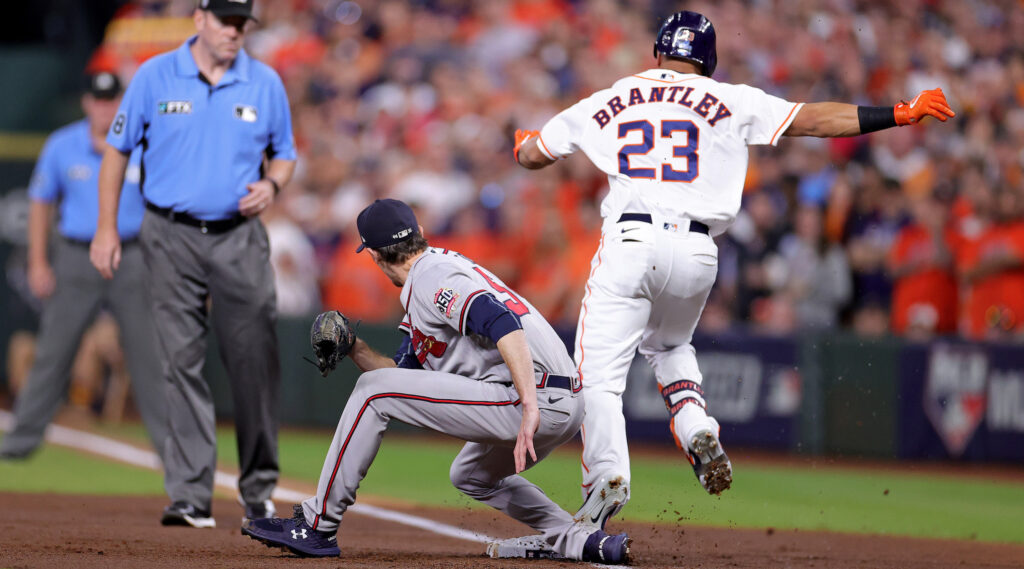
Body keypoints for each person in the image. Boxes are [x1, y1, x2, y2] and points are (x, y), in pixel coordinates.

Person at [513, 10, 955, 529]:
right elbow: (811, 120)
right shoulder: (731, 97)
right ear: (709, 59)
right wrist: (897, 113)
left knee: (598, 381)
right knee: (670, 345)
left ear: (658, 52)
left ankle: (606, 476)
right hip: (700, 251)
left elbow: (534, 155)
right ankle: (696, 424)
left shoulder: (612, 95)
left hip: (632, 240)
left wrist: (523, 143)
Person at [241, 199, 630, 564]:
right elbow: (401, 379)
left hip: (534, 396)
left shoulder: (432, 276)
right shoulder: (430, 277)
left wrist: (529, 404)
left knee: (371, 393)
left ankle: (317, 525)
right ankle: (580, 538)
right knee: (470, 475)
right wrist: (355, 347)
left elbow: (501, 322)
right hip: (557, 397)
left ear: (373, 255)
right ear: (419, 231)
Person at [90, 0, 297, 528]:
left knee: (253, 361)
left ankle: (257, 488)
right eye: (226, 20)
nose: (235, 31)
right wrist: (108, 227)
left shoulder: (264, 81)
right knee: (178, 362)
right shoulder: (155, 75)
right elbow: (116, 150)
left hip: (238, 236)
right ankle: (190, 494)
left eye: (242, 23)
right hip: (168, 233)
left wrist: (272, 183)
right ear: (200, 19)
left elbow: (286, 152)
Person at [0, 71, 167, 461]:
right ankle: (21, 442)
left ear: (122, 103)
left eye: (112, 100)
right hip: (77, 254)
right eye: (99, 99)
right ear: (87, 102)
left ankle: (173, 452)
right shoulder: (62, 144)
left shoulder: (144, 144)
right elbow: (41, 205)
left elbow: (162, 205)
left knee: (148, 356)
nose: (105, 107)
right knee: (53, 352)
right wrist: (39, 261)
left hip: (132, 254)